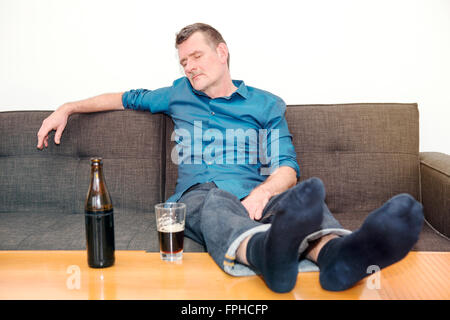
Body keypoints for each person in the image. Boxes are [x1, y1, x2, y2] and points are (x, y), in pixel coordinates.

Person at [37, 23, 424, 293]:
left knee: (298, 197)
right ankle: (264, 254)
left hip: (256, 190)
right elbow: (122, 98)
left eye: (196, 56)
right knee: (217, 200)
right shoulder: (176, 94)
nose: (189, 67)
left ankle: (339, 259)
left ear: (222, 53)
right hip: (199, 195)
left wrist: (261, 195)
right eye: (183, 62)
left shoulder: (266, 104)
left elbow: (285, 165)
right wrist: (68, 107)